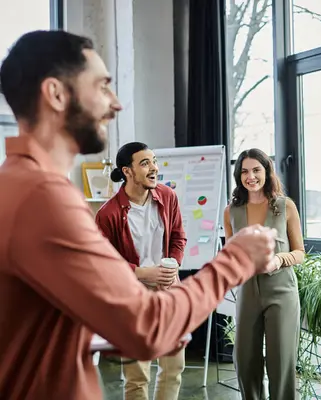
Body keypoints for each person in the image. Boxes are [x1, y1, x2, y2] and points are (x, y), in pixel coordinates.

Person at [0, 30, 278, 400]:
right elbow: (149, 330)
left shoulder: (17, 184)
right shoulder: (43, 197)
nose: (115, 104)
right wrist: (237, 258)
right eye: (102, 87)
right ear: (56, 93)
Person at [95, 142, 186, 400]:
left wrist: (174, 264)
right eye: (145, 163)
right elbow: (103, 263)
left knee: (173, 369)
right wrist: (143, 274)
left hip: (169, 291)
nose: (154, 168)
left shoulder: (167, 197)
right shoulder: (108, 214)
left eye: (154, 161)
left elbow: (179, 237)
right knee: (137, 377)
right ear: (128, 171)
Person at [223, 148, 304, 400]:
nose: (251, 176)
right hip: (247, 291)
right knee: (245, 360)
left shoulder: (284, 206)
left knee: (281, 362)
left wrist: (279, 259)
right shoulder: (231, 211)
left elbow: (300, 252)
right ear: (239, 176)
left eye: (256, 170)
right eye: (245, 171)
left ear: (266, 172)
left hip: (281, 290)